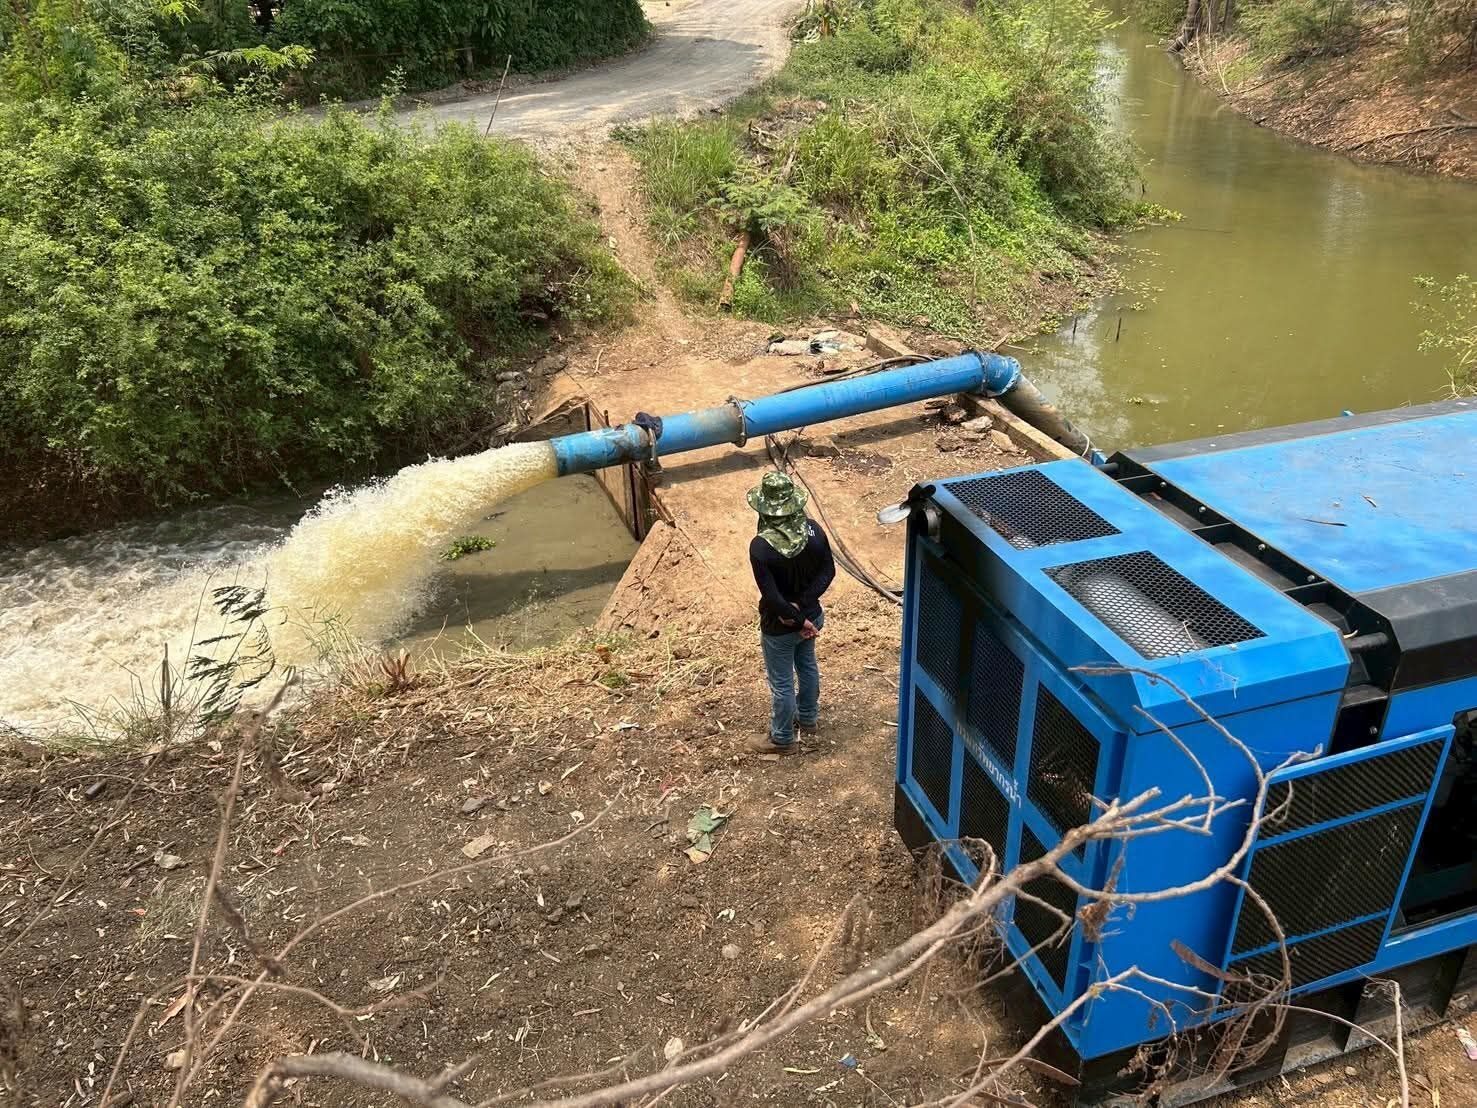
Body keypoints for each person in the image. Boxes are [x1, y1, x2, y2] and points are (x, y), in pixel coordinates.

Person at [745, 472, 836, 755]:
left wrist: (796, 617)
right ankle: (808, 718)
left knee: (782, 682)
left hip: (781, 625)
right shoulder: (814, 531)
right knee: (807, 666)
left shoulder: (761, 547)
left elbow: (771, 596)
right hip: (812, 617)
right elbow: (828, 572)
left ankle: (782, 738)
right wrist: (805, 610)